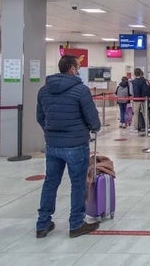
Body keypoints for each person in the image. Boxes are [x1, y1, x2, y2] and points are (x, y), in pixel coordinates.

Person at [35, 55, 100, 239]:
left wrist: (51, 131)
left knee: (50, 182)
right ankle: (76, 224)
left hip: (53, 144)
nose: (78, 70)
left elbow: (40, 117)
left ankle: (43, 223)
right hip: (76, 144)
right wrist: (94, 128)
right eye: (78, 67)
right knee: (78, 184)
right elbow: (92, 117)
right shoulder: (80, 90)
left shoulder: (43, 90)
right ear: (71, 68)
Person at [130, 68, 150, 134]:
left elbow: (131, 92)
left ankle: (135, 128)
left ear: (134, 74)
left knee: (136, 114)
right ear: (140, 73)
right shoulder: (144, 80)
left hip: (136, 99)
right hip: (144, 99)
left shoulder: (133, 82)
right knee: (145, 113)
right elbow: (147, 89)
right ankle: (148, 127)